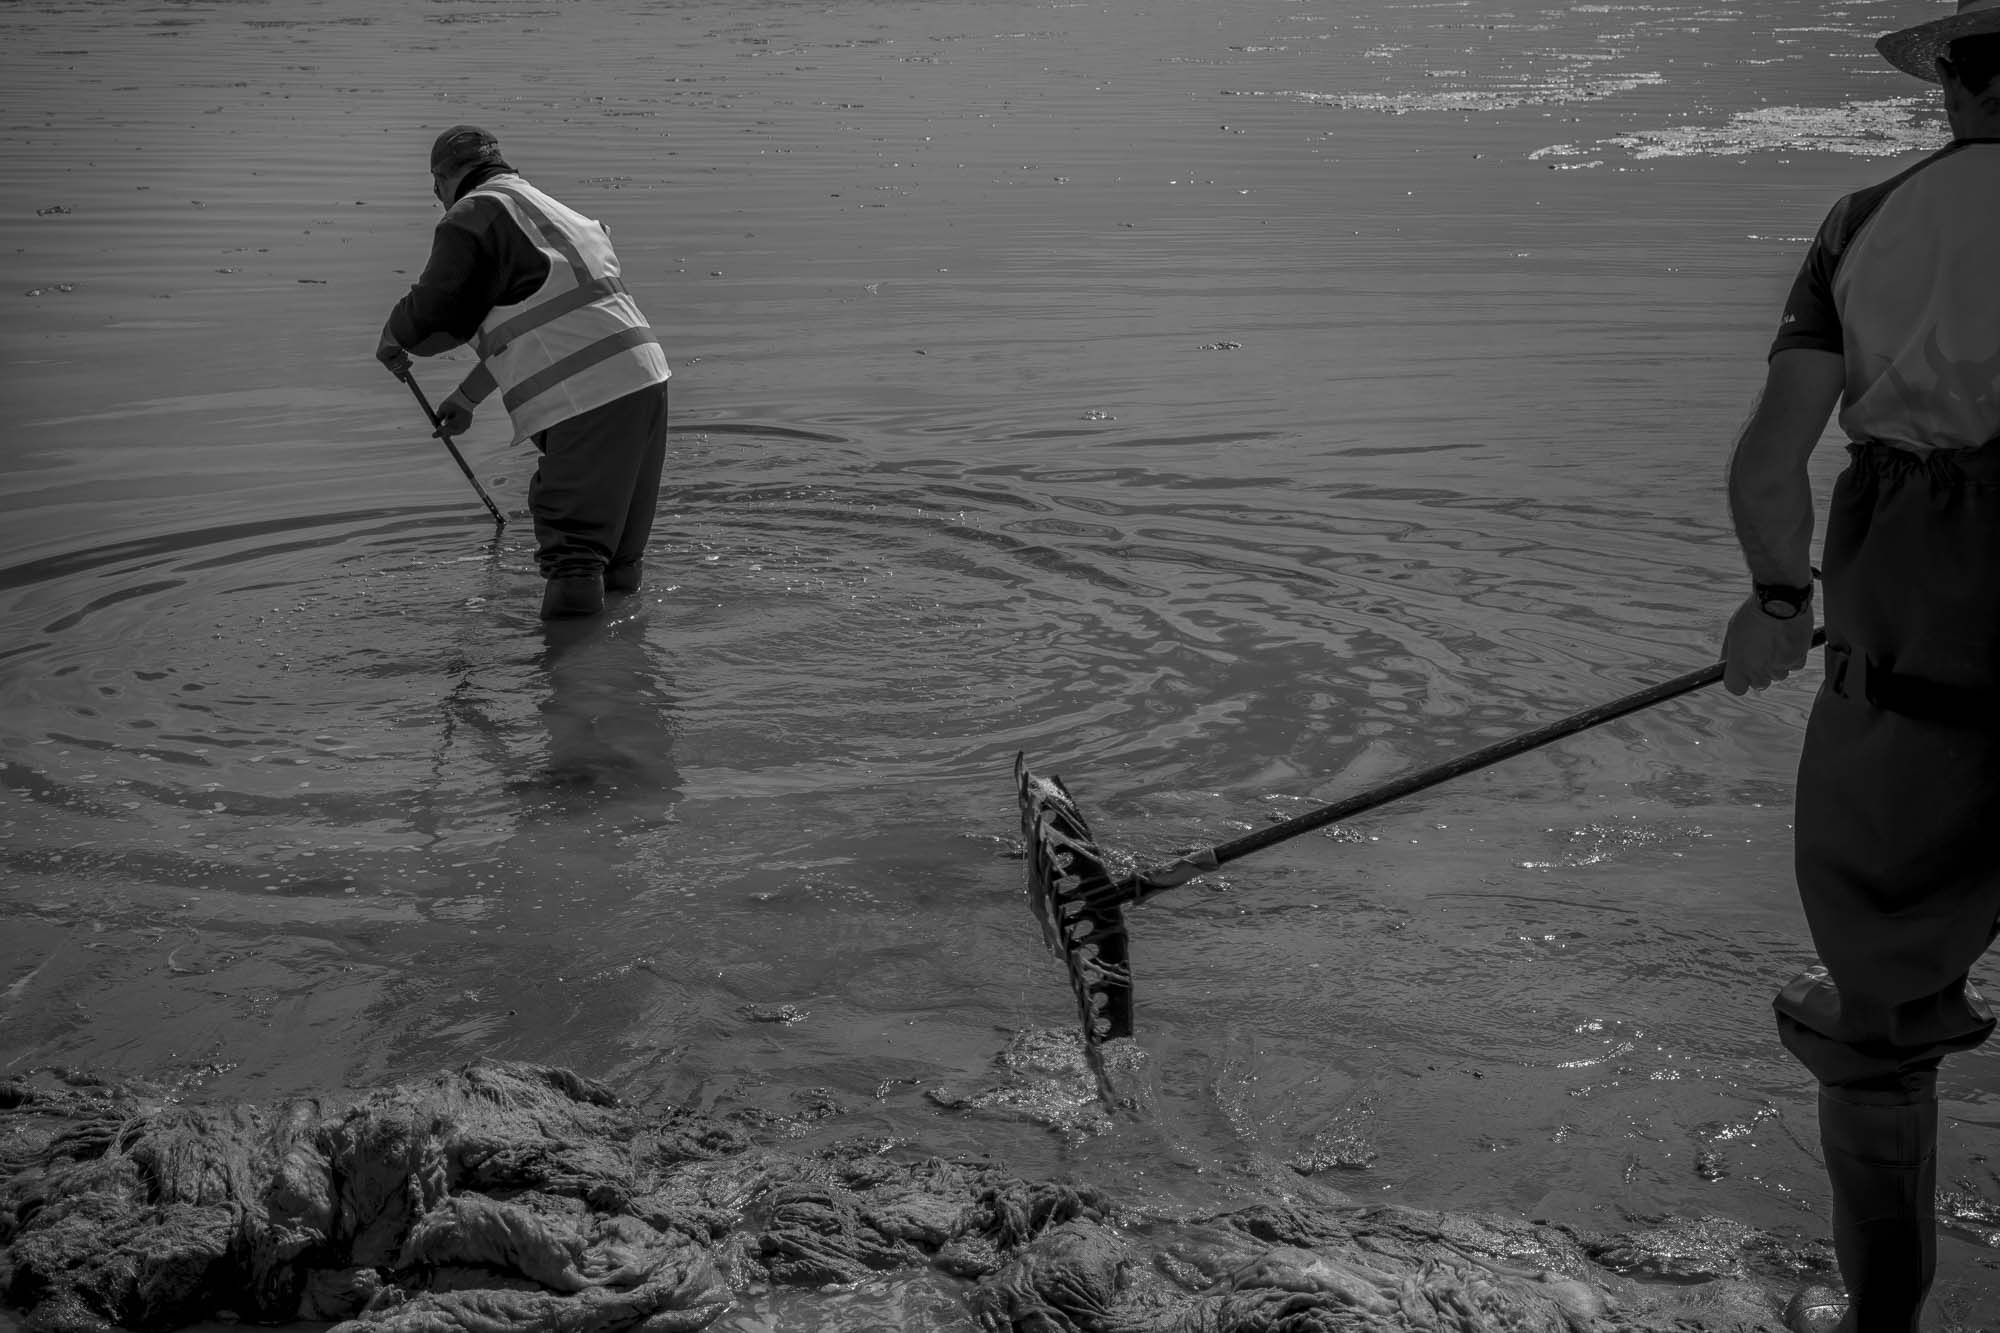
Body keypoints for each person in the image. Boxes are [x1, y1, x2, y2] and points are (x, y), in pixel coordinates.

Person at [1720, 2, 2000, 1328]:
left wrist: (1778, 602)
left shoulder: (1863, 225)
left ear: (1954, 82)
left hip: (1918, 699)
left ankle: (1886, 1320)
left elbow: (1773, 464)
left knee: (1879, 1033)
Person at [376, 125, 672, 620]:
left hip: (589, 400)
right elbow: (546, 320)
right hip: (645, 381)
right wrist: (468, 398)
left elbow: (436, 309)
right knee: (618, 557)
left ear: (442, 180)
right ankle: (622, 667)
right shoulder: (558, 213)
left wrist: (393, 334)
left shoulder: (470, 216)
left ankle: (565, 684)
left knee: (575, 560)